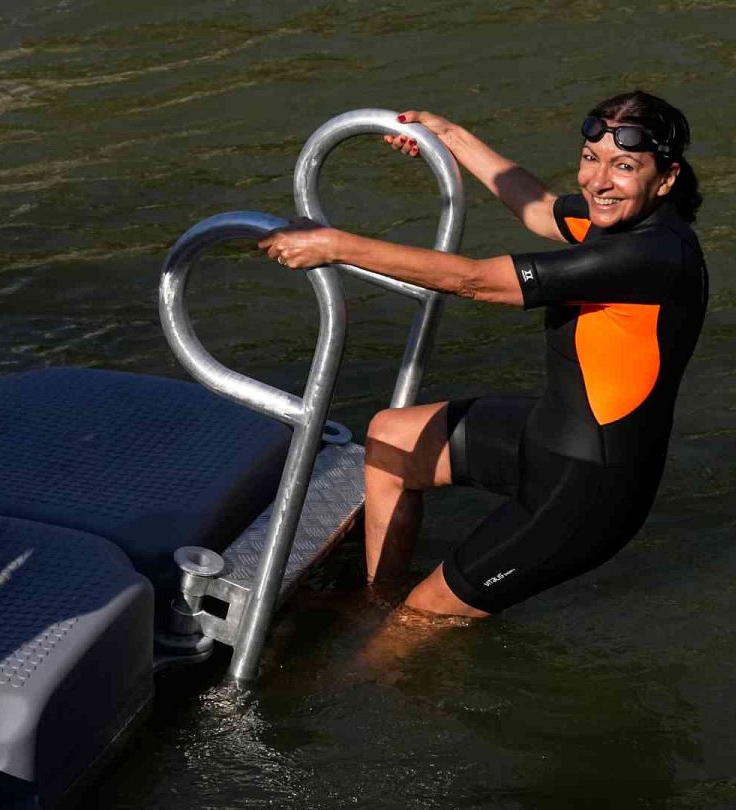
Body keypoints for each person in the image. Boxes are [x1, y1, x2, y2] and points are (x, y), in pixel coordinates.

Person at [259, 90, 707, 619]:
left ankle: (392, 644)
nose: (598, 181)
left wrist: (333, 245)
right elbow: (538, 207)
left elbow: (474, 281)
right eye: (591, 159)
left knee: (420, 620)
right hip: (548, 436)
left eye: (623, 166)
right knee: (390, 438)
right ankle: (375, 602)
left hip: (589, 495)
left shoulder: (650, 256)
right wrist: (448, 136)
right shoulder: (618, 218)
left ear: (668, 178)